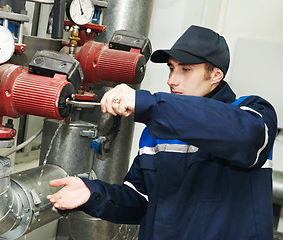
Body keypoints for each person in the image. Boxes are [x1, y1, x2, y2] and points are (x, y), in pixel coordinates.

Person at [47, 25, 277, 239]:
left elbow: (246, 137)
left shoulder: (251, 113)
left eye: (186, 69)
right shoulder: (158, 131)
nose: (171, 80)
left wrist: (150, 105)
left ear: (215, 75)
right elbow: (141, 201)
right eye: (171, 68)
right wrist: (92, 193)